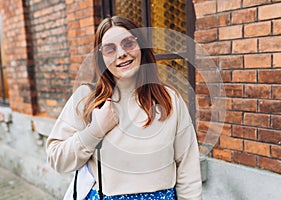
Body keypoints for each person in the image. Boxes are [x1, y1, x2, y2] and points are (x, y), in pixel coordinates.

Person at [46, 16, 202, 200]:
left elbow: (188, 167)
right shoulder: (87, 99)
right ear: (101, 57)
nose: (121, 53)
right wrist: (94, 131)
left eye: (128, 43)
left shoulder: (169, 99)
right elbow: (57, 159)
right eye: (110, 49)